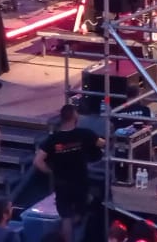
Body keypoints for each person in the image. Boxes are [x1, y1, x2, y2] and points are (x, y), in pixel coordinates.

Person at [33, 103, 103, 242]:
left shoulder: (53, 139)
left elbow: (37, 161)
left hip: (62, 184)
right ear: (75, 116)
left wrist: (52, 172)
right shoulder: (85, 134)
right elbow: (103, 143)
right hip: (80, 182)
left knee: (66, 218)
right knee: (81, 212)